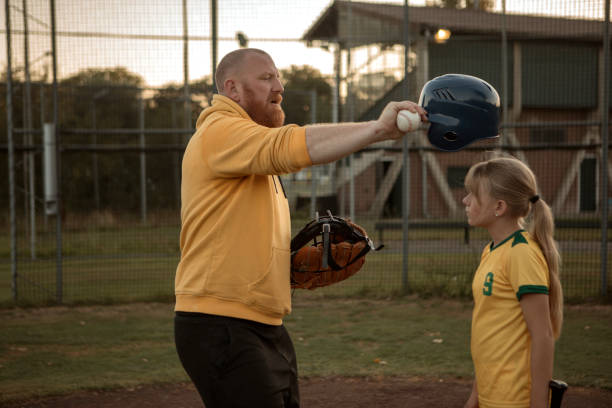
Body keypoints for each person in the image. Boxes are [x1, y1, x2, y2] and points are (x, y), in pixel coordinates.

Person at [173, 47, 427, 408]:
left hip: (261, 322)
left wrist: (282, 269)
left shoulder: (246, 145)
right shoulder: (219, 131)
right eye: (265, 78)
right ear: (232, 89)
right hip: (221, 322)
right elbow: (287, 146)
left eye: (278, 78)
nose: (278, 86)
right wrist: (377, 129)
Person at [462, 156, 564, 408]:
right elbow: (490, 331)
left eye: (473, 195)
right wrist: (475, 396)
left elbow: (543, 335)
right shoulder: (492, 250)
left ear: (499, 207)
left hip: (514, 397)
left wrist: (539, 403)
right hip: (491, 393)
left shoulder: (521, 253)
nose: (465, 201)